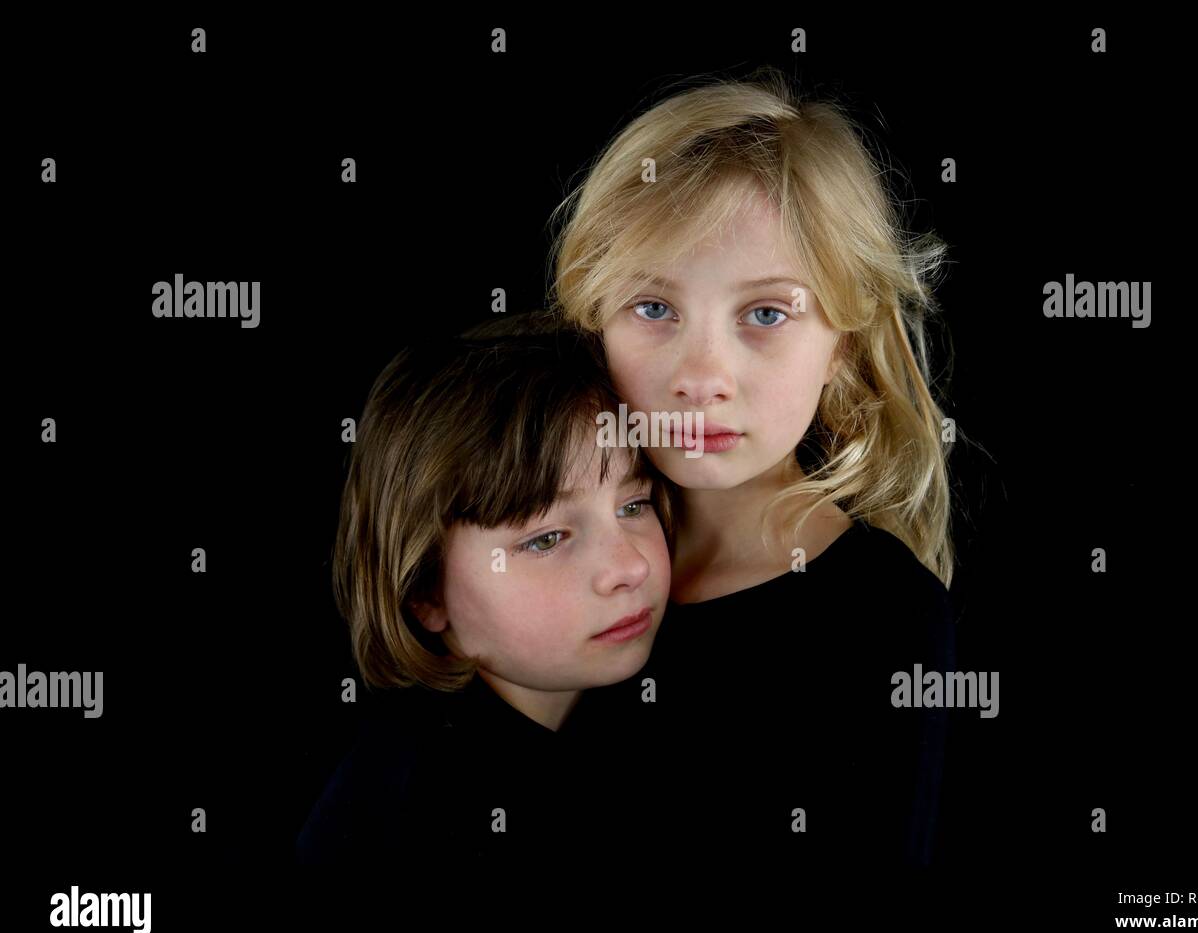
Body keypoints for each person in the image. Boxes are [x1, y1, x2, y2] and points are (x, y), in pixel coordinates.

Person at [545, 67, 961, 871]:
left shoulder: (886, 618)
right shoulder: (548, 552)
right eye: (654, 308)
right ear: (594, 318)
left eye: (766, 314)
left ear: (842, 343)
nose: (702, 374)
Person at [296, 314, 676, 868]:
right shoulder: (412, 830)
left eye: (633, 506)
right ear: (426, 591)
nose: (629, 566)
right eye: (546, 539)